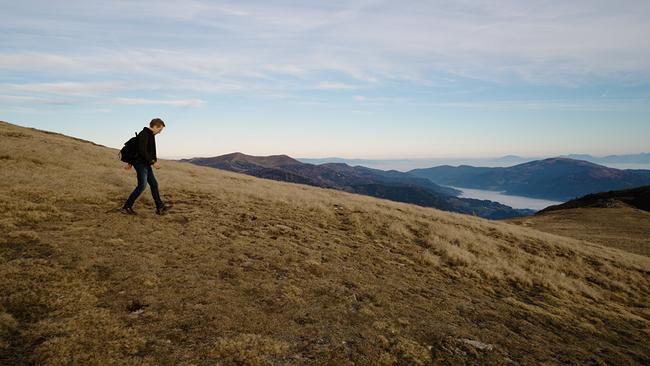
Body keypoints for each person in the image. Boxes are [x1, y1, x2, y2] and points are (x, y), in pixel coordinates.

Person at [121, 118, 171, 215]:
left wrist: (132, 163)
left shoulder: (149, 135)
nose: (160, 132)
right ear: (155, 126)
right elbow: (141, 151)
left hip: (145, 163)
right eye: (160, 129)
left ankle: (160, 207)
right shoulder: (144, 134)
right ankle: (126, 206)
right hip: (140, 164)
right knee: (142, 186)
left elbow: (140, 150)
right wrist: (153, 162)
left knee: (154, 184)